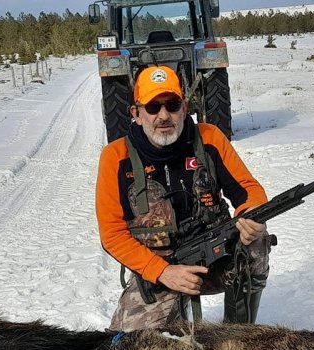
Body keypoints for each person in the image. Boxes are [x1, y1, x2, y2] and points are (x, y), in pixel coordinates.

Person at [96, 65, 272, 331]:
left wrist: (251, 212)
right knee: (128, 347)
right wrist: (163, 272)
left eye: (172, 105)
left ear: (185, 107)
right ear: (136, 113)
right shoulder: (115, 157)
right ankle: (172, 315)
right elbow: (112, 234)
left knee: (255, 235)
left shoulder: (209, 138)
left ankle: (239, 336)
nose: (164, 115)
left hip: (216, 257)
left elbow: (247, 189)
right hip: (160, 269)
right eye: (153, 107)